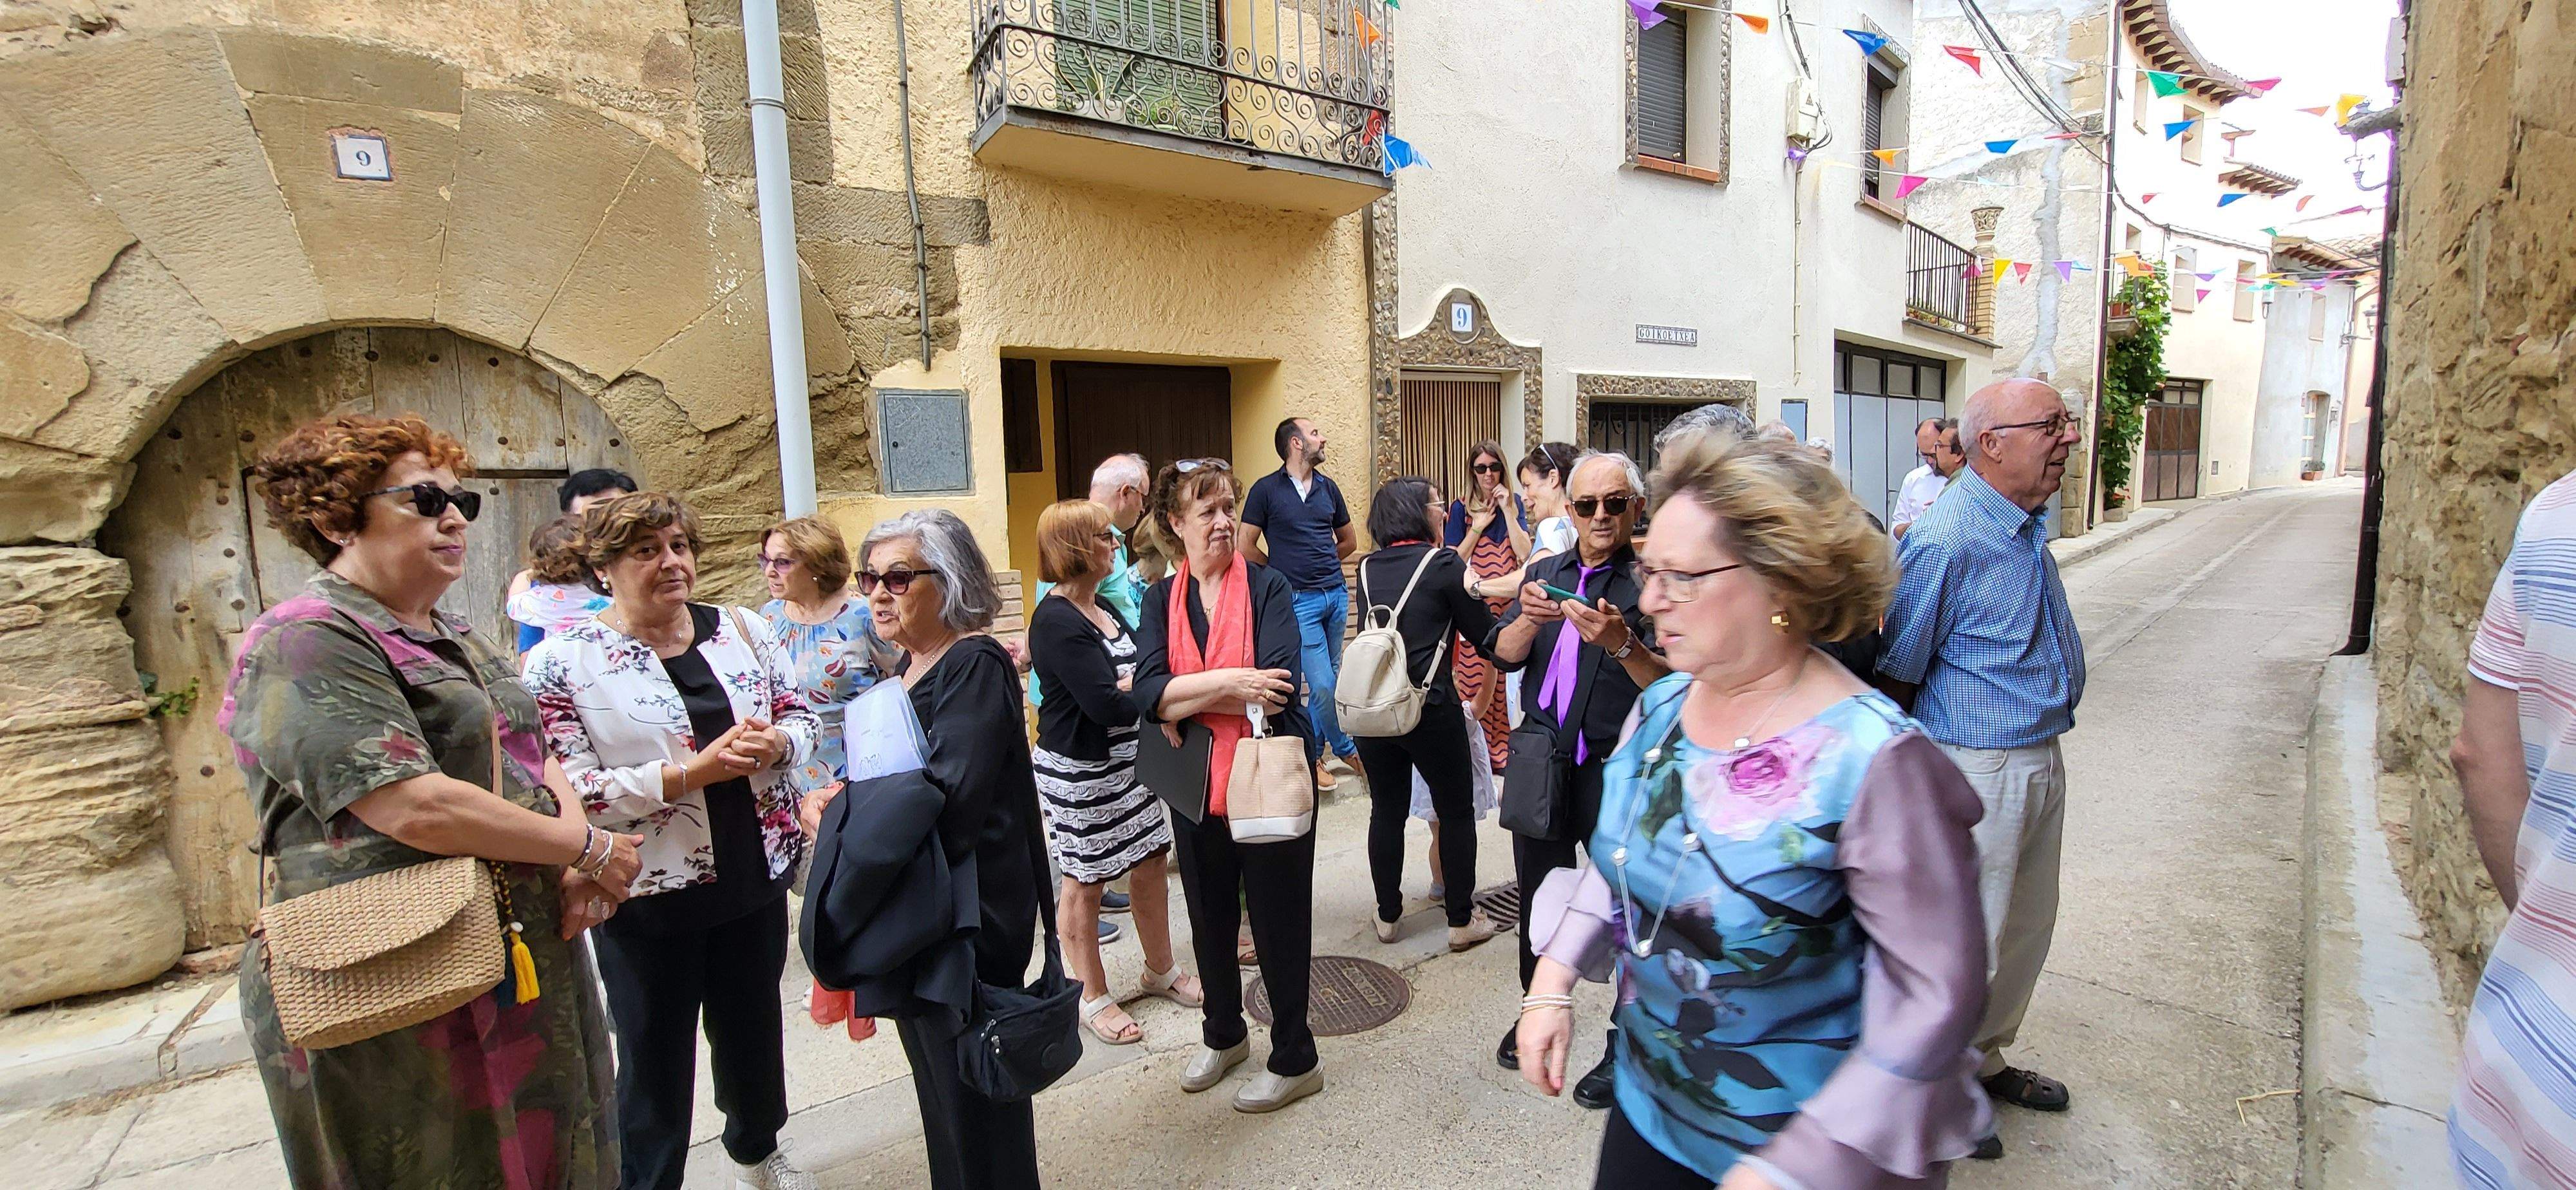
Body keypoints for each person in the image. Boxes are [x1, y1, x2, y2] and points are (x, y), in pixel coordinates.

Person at [1517, 430, 1992, 1189]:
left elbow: (1936, 1000)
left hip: (1800, 1150)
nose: (1647, 600)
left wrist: (1795, 1170)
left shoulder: (1875, 761)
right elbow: (1619, 863)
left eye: (1682, 577)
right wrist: (1552, 980)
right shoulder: (1663, 707)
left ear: (1780, 584)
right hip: (1647, 1115)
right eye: (1650, 571)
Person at [223, 413, 637, 1189]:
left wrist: (576, 857)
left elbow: (532, 750)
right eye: (423, 499)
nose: (453, 517)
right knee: (435, 1166)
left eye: (461, 501)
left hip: (512, 946)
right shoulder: (305, 640)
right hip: (389, 964)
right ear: (332, 516)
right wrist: (590, 850)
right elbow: (411, 805)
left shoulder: (451, 630)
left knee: (562, 1151)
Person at [523, 493, 820, 1190]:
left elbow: (801, 715)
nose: (671, 562)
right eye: (646, 551)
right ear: (604, 568)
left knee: (752, 1034)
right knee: (654, 1051)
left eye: (679, 546)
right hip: (645, 891)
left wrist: (780, 741)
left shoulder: (742, 631)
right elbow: (568, 788)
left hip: (753, 874)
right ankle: (648, 1180)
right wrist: (692, 773)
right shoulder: (563, 663)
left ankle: (757, 1151)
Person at [1875, 377, 2087, 1160]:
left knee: (2027, 924)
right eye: (2050, 426)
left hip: (2036, 753)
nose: (2066, 438)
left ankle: (1982, 1060)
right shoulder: (1949, 536)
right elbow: (1900, 663)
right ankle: (1933, 1095)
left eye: (2065, 424)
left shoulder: (2022, 522)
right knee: (1971, 940)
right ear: (1992, 443)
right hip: (1976, 764)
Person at [808, 509, 1046, 1189]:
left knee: (976, 1103)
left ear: (949, 582)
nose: (878, 593)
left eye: (899, 577)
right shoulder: (912, 668)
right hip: (926, 917)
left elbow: (950, 800)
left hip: (967, 925)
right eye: (870, 578)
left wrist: (847, 812)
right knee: (945, 1099)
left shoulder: (973, 662)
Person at [1131, 457, 1325, 1113]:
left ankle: (1296, 1058)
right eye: (1205, 509)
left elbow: (1274, 687)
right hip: (1195, 789)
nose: (1222, 521)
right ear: (1173, 523)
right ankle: (1224, 1034)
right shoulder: (1161, 599)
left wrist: (1183, 702)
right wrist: (1228, 685)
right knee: (1209, 919)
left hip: (1264, 777)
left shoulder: (1269, 589)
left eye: (1228, 506)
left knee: (1276, 924)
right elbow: (1147, 693)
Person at [1482, 449, 1671, 1108]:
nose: (1599, 516)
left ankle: (1628, 1042)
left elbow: (1675, 688)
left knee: (1629, 907)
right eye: (1587, 505)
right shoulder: (1547, 573)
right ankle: (1538, 1002)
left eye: (1614, 504)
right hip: (1543, 760)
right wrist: (1529, 619)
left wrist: (1624, 644)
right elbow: (1500, 655)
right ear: (1570, 511)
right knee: (1539, 893)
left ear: (1635, 509)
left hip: (1617, 770)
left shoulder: (1652, 583)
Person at [1026, 499, 1204, 1046]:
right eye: (1104, 536)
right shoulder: (1056, 620)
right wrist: (1142, 690)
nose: (1116, 543)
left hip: (1132, 764)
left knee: (1151, 860)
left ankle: (1160, 970)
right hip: (1082, 771)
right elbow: (1105, 703)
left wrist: (1140, 686)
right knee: (1087, 880)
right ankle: (1091, 995)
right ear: (1077, 548)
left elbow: (1146, 671)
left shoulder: (1104, 606)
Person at [2447, 470, 2576, 1187]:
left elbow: (2480, 755)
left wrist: (2545, 934)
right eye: (2049, 427)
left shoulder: (2556, 517)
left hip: (2519, 1078)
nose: (2071, 441)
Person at [757, 515, 898, 1041]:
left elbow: (897, 683)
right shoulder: (766, 619)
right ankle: (839, 975)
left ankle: (861, 985)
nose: (771, 571)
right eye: (766, 560)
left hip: (852, 773)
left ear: (815, 565)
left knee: (848, 888)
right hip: (789, 778)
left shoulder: (861, 617)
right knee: (814, 887)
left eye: (783, 561)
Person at [1353, 477, 1503, 950]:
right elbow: (1486, 636)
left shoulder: (1366, 568)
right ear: (1419, 513)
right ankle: (1461, 920)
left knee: (1387, 810)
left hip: (1375, 710)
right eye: (1438, 505)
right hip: (1429, 709)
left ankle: (1387, 915)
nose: (1443, 512)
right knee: (1455, 812)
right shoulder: (1443, 565)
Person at [1240, 417, 1359, 791]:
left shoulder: (1329, 488)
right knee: (1322, 686)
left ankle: (1315, 757)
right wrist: (1278, 575)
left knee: (1331, 681)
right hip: (1299, 602)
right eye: (1314, 434)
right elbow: (1245, 548)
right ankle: (1348, 750)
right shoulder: (1265, 490)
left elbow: (1349, 541)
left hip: (1337, 596)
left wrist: (1323, 563)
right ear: (1295, 443)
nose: (1322, 439)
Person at [1445, 441, 1528, 775]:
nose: (1489, 475)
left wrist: (1508, 512)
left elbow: (1525, 555)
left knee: (1506, 680)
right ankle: (1475, 753)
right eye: (1481, 468)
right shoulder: (1460, 508)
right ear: (1472, 472)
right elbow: (1452, 561)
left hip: (1508, 606)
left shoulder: (1517, 504)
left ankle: (1503, 755)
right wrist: (1477, 527)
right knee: (1474, 679)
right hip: (1472, 607)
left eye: (1494, 467)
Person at [508, 468, 635, 652]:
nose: (603, 527)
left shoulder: (658, 571)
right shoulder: (548, 591)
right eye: (589, 519)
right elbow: (531, 664)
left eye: (614, 516)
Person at [508, 514, 612, 661]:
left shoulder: (542, 600)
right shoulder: (610, 592)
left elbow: (513, 606)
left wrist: (525, 575)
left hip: (561, 667)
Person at [1892, 419, 1964, 540]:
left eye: (1933, 454)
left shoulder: (1967, 483)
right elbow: (1897, 526)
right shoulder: (1914, 479)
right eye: (1924, 455)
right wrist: (1921, 524)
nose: (1930, 461)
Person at [1516, 441, 1581, 568]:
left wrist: (1477, 585)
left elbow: (1533, 576)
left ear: (1553, 478)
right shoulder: (1582, 527)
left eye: (1528, 486)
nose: (1524, 497)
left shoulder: (1552, 526)